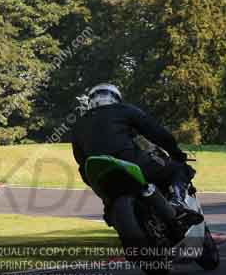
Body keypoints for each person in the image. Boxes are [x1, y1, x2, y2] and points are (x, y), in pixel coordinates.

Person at [71, 83, 203, 227]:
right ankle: (177, 202)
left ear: (91, 101)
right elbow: (157, 132)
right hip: (130, 163)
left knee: (107, 199)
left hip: (100, 177)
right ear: (115, 98)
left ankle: (110, 209)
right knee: (179, 169)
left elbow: (80, 160)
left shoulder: (79, 125)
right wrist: (176, 153)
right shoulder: (124, 110)